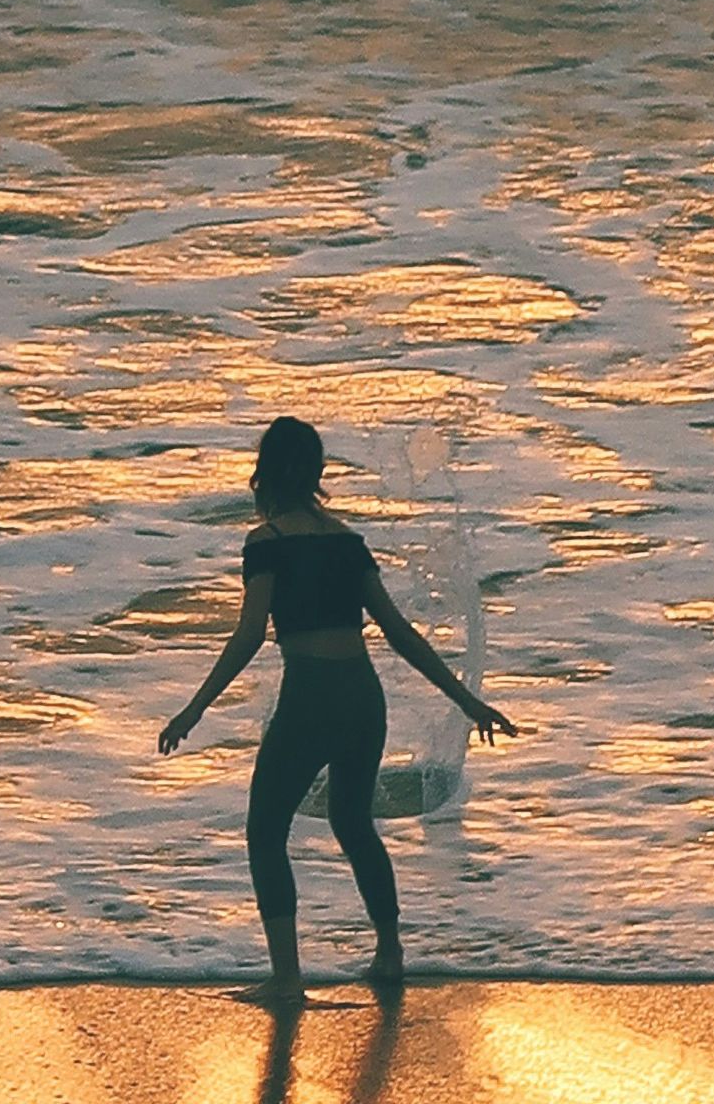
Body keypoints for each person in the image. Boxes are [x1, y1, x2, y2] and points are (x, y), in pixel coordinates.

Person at [158, 416, 515, 1005]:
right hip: (361, 696)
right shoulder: (347, 542)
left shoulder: (266, 543)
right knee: (354, 824)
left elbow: (249, 636)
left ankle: (287, 977)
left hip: (311, 696)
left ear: (265, 474)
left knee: (265, 829)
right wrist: (469, 701)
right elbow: (398, 632)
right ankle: (390, 953)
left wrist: (193, 710)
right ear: (317, 474)